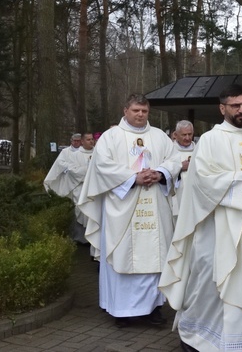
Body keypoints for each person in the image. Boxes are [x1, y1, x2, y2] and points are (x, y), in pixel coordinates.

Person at [160, 84, 242, 352]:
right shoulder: (211, 140)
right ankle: (201, 338)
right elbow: (200, 183)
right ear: (223, 108)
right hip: (217, 229)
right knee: (211, 285)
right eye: (236, 105)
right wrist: (241, 177)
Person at [77, 94, 181, 328]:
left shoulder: (159, 137)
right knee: (122, 257)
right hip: (121, 209)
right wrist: (133, 178)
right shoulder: (110, 137)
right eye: (136, 110)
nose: (140, 114)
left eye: (144, 111)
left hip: (155, 205)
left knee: (155, 257)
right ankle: (121, 310)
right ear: (125, 110)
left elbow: (174, 160)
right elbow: (102, 166)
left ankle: (153, 308)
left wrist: (160, 173)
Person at [44, 132, 96, 252]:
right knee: (81, 212)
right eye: (88, 139)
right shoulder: (75, 155)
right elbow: (74, 171)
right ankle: (81, 238)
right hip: (80, 187)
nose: (91, 141)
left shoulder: (98, 153)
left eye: (92, 139)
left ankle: (93, 238)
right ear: (82, 141)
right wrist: (89, 172)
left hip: (95, 188)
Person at [170, 120, 196, 220]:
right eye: (184, 135)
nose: (187, 138)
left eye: (190, 134)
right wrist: (179, 166)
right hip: (176, 195)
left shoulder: (199, 149)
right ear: (175, 135)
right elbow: (163, 171)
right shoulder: (170, 150)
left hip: (194, 196)